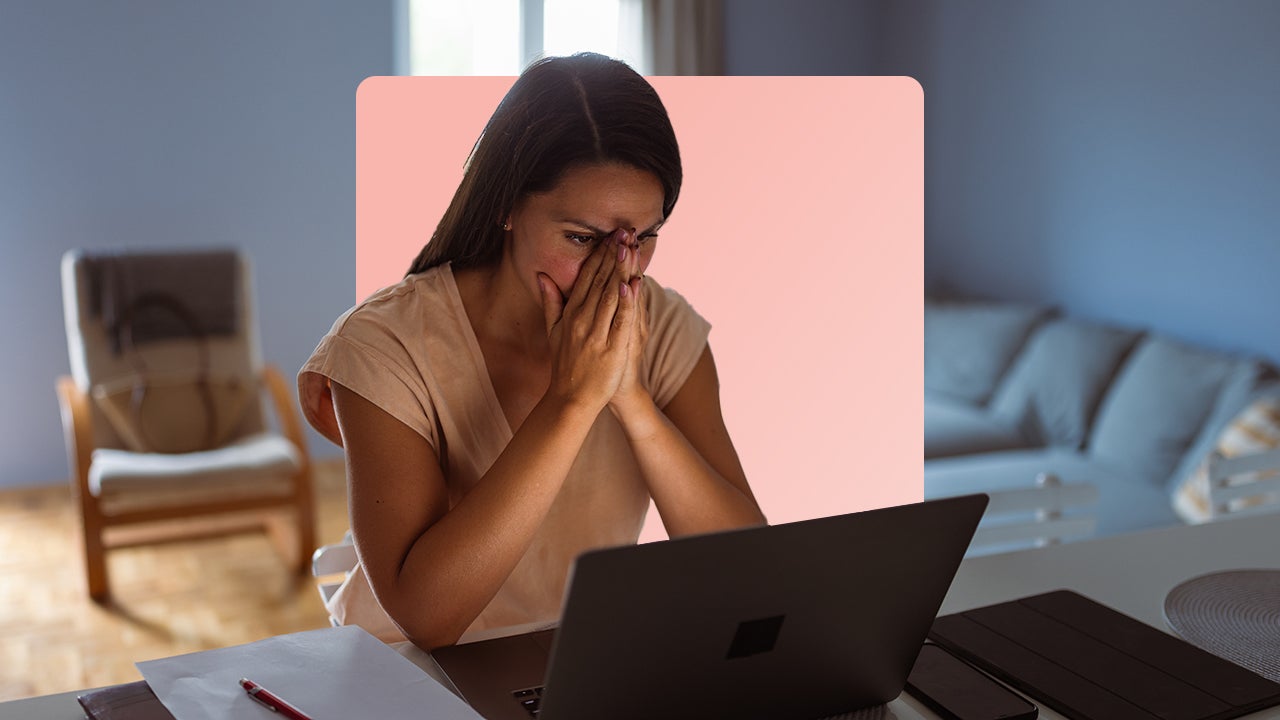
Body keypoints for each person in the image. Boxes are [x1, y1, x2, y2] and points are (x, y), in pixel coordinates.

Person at [298, 53, 765, 651]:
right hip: (405, 672)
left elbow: (747, 571)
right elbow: (428, 619)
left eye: (643, 239)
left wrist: (632, 401)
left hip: (567, 661)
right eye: (581, 238)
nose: (618, 268)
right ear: (507, 207)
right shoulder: (384, 345)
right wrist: (572, 400)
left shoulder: (665, 329)